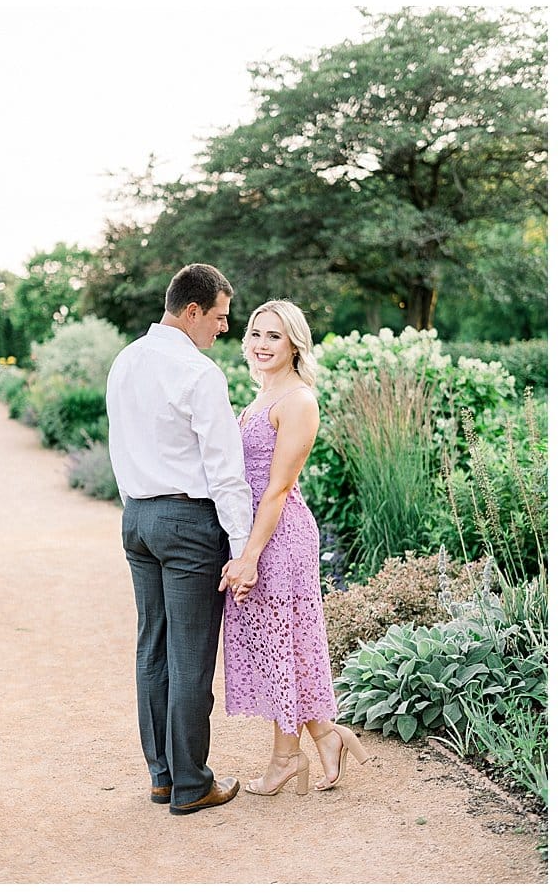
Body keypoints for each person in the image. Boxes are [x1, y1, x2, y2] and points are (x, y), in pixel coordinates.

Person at [105, 263, 256, 816]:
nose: (223, 329)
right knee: (191, 659)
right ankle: (192, 784)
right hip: (188, 523)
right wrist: (243, 549)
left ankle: (163, 777)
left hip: (138, 518)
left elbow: (120, 444)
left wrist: (138, 510)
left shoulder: (124, 361)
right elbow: (225, 471)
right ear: (192, 311)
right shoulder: (197, 372)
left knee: (153, 650)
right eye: (218, 318)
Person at [220, 300, 371, 795]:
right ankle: (325, 735)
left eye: (275, 337)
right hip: (260, 534)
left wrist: (249, 556)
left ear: (294, 345)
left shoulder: (299, 400)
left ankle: (288, 755)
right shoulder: (262, 394)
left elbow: (279, 488)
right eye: (257, 334)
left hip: (281, 538)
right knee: (283, 645)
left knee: (282, 644)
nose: (262, 344)